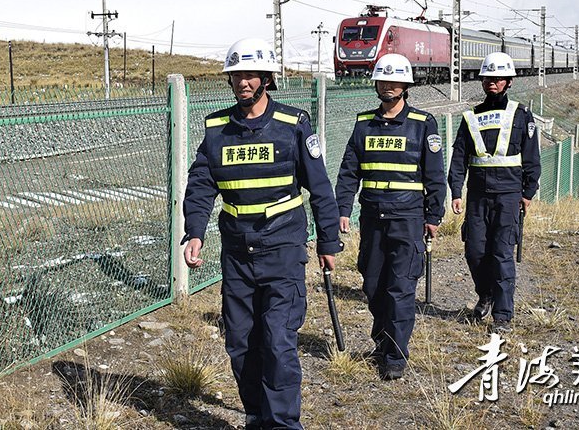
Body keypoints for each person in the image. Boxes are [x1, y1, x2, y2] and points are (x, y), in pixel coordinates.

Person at [182, 38, 343, 430]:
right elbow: (201, 184)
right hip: (237, 250)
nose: (243, 82)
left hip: (283, 247)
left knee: (277, 339)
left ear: (267, 78)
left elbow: (320, 187)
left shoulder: (293, 125)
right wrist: (195, 232)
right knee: (240, 340)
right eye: (237, 75)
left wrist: (327, 242)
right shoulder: (218, 129)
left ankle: (283, 423)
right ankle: (257, 413)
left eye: (251, 74)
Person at [335, 53, 446, 380]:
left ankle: (395, 357)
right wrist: (343, 208)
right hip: (372, 217)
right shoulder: (363, 124)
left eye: (394, 81)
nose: (388, 86)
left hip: (408, 218)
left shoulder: (423, 125)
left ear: (405, 86)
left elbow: (434, 175)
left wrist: (433, 215)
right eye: (383, 80)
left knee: (400, 287)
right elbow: (348, 172)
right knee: (373, 284)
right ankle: (382, 343)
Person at [447, 51, 541, 334]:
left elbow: (532, 157)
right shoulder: (470, 117)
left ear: (509, 82)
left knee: (501, 254)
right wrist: (455, 191)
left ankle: (503, 315)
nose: (493, 82)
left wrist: (528, 191)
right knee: (474, 251)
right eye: (488, 77)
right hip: (477, 196)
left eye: (499, 78)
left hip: (509, 196)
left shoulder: (522, 115)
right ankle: (485, 294)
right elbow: (459, 157)